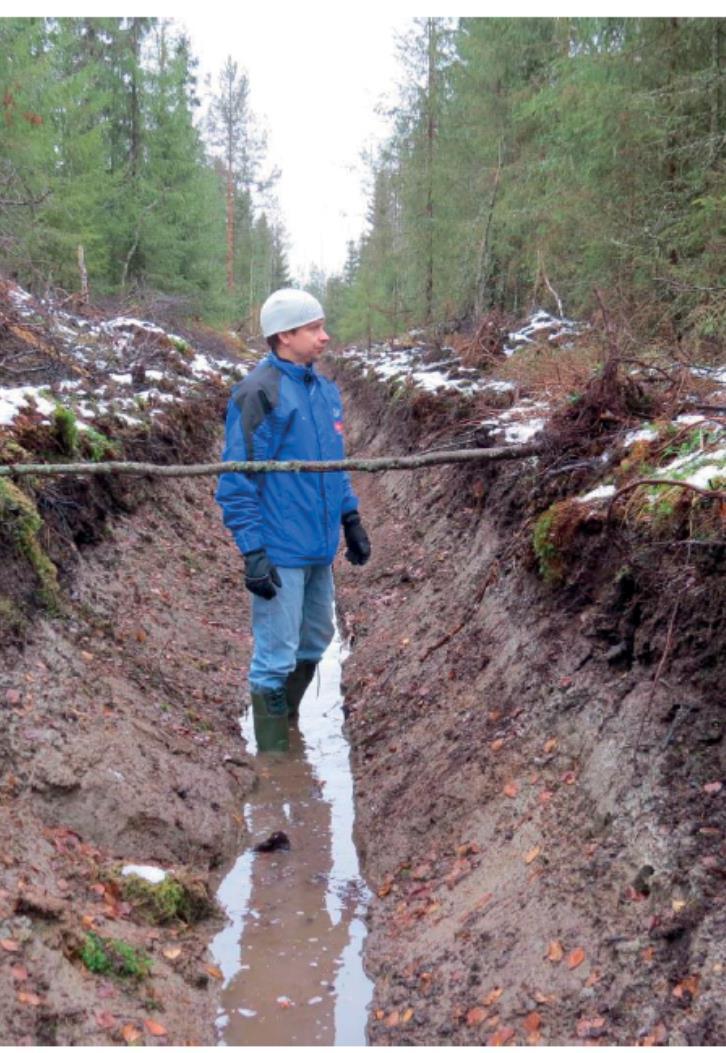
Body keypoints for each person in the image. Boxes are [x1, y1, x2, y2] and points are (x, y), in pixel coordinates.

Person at [216, 288, 371, 752]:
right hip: (280, 549)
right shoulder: (258, 392)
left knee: (316, 639)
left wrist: (351, 517)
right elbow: (236, 479)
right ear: (285, 335)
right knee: (275, 655)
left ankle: (288, 724)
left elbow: (333, 463)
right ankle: (275, 759)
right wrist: (253, 551)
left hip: (319, 546)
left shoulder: (323, 389)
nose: (325, 337)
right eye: (314, 328)